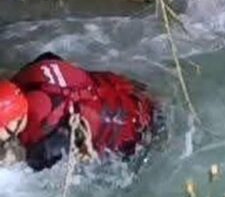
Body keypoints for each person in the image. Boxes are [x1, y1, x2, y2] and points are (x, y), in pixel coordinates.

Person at [0, 52, 158, 171]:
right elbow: (51, 57)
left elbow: (36, 172)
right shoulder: (28, 75)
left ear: (14, 121)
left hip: (133, 131)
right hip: (126, 90)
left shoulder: (44, 136)